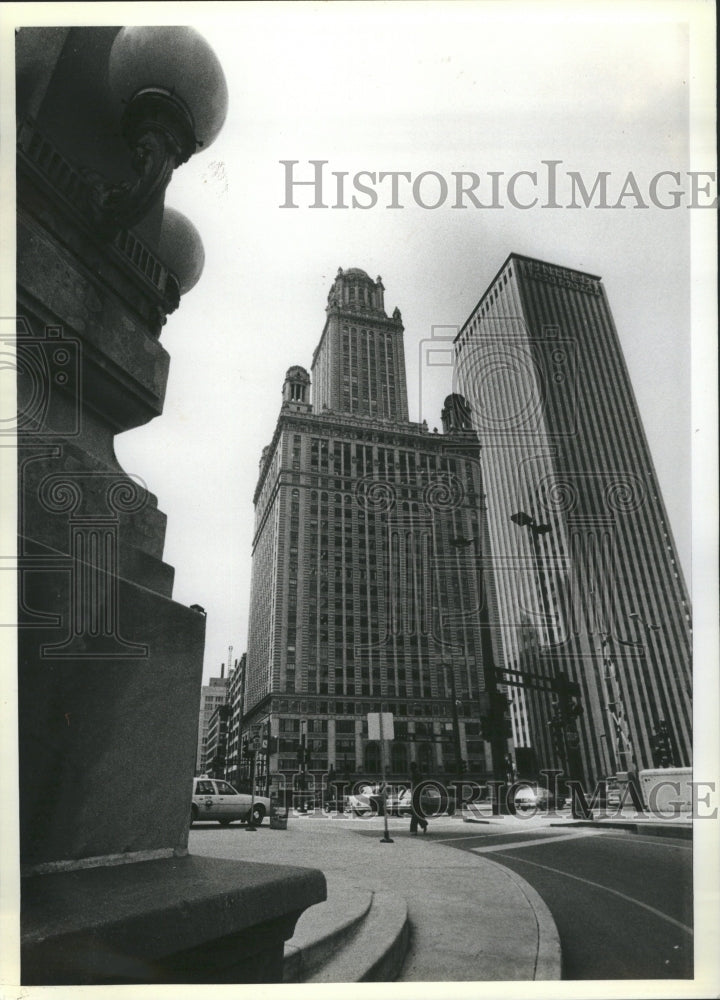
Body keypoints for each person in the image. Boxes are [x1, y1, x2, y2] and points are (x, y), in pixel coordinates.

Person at [409, 761, 428, 835]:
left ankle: (414, 829)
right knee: (416, 812)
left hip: (416, 794)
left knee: (415, 812)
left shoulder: (416, 774)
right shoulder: (415, 773)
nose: (410, 768)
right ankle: (423, 824)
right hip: (416, 793)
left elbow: (417, 784)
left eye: (411, 767)